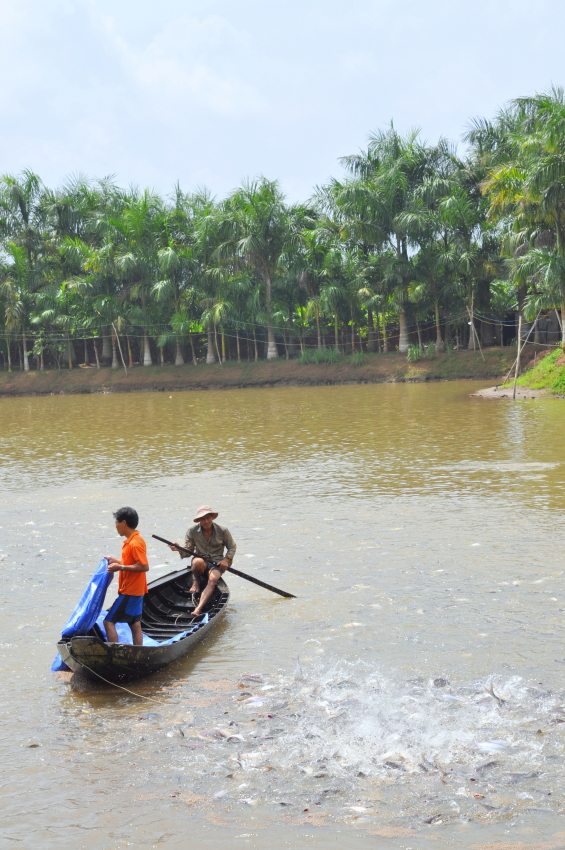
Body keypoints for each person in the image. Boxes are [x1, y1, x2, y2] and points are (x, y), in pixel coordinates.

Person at [170, 505, 236, 618]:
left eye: (208, 518)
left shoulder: (223, 530)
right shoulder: (192, 531)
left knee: (213, 579)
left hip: (217, 563)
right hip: (201, 561)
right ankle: (197, 581)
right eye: (203, 519)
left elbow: (232, 547)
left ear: (212, 517)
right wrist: (178, 549)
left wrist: (226, 559)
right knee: (197, 562)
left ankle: (198, 608)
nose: (206, 521)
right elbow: (188, 551)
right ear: (199, 520)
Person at [103, 507, 149, 646]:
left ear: (123, 523)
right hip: (137, 590)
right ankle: (138, 653)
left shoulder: (134, 543)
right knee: (134, 624)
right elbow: (132, 562)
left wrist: (120, 567)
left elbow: (144, 566)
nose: (115, 526)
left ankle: (114, 653)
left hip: (131, 591)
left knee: (108, 622)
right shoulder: (133, 540)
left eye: (116, 523)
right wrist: (116, 561)